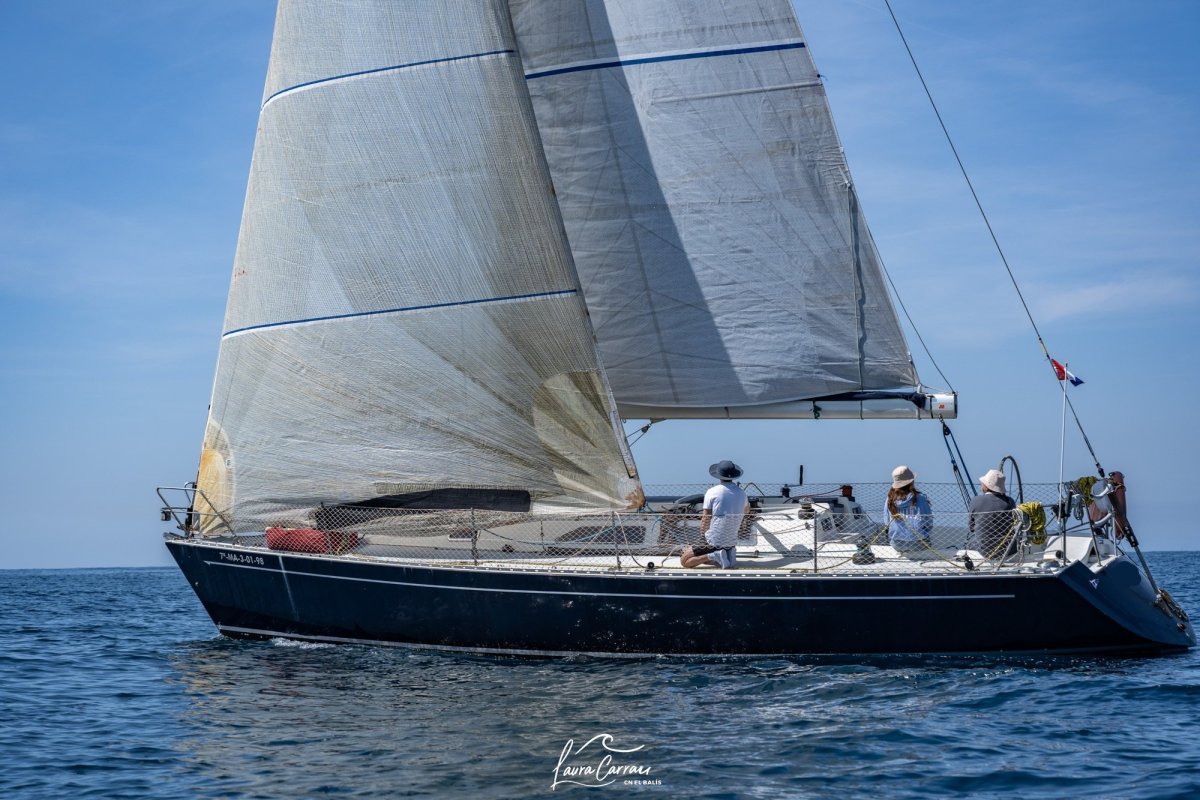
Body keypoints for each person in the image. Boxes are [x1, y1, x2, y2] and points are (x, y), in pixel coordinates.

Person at [681, 461, 749, 569]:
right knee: (699, 555)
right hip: (730, 540)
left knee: (685, 561)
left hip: (714, 540)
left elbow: (706, 518)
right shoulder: (742, 493)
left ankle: (715, 555)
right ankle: (727, 554)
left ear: (718, 475)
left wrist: (702, 539)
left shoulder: (712, 491)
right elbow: (746, 510)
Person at [969, 468, 1017, 558]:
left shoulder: (975, 501)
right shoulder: (1010, 502)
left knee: (970, 543)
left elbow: (972, 528)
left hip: (984, 551)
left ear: (987, 486)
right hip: (1008, 550)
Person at [886, 465, 933, 552]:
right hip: (918, 544)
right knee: (927, 539)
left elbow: (887, 521)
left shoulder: (890, 499)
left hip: (897, 544)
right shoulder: (921, 498)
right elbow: (928, 522)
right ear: (911, 482)